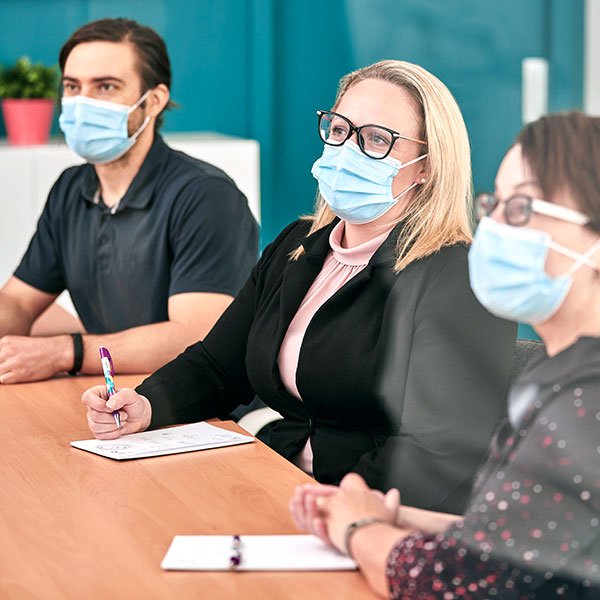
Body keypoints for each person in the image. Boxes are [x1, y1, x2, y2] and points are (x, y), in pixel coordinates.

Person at [82, 60, 516, 514]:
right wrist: (146, 405)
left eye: (376, 139)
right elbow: (218, 366)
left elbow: (443, 446)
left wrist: (339, 508)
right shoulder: (298, 244)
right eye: (340, 129)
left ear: (426, 166)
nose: (348, 149)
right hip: (278, 479)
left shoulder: (461, 275)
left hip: (377, 514)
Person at [290, 112, 600, 598]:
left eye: (521, 209)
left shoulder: (586, 405)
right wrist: (386, 514)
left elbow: (458, 582)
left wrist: (358, 533)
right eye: (494, 204)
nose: (493, 226)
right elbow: (511, 532)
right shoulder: (561, 371)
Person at [0, 18, 259, 384]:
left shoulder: (207, 196)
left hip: (207, 410)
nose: (82, 101)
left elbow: (196, 337)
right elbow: (19, 302)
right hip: (114, 394)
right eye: (72, 86)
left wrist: (65, 352)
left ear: (154, 101)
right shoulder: (70, 189)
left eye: (105, 86)